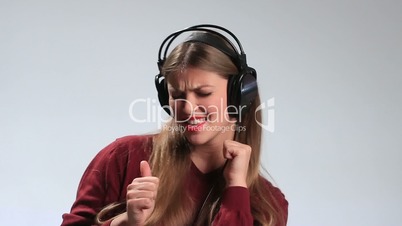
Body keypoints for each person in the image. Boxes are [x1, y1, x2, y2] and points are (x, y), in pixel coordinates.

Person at [61, 24, 288, 226]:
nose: (188, 107)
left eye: (203, 93)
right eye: (177, 95)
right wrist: (124, 223)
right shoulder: (123, 157)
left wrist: (236, 189)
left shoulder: (268, 204)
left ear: (239, 95)